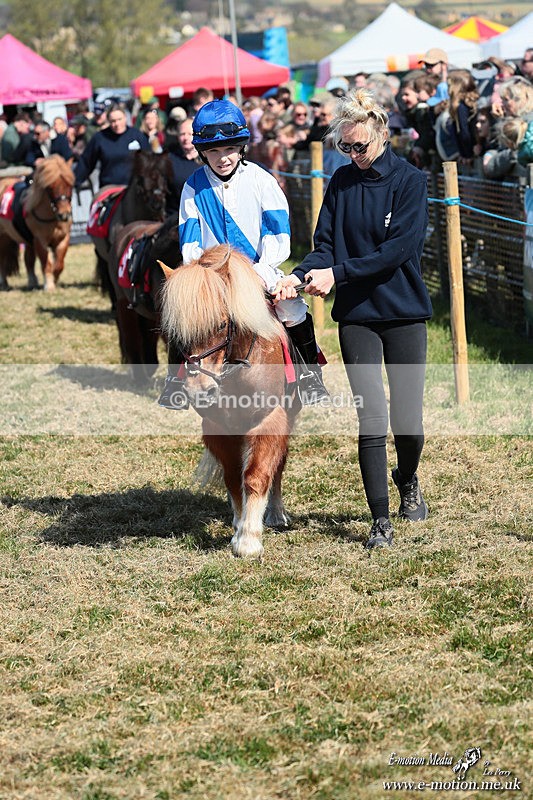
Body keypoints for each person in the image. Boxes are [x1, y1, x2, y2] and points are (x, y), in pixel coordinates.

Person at [275, 89, 432, 550]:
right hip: (358, 316)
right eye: (346, 147)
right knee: (372, 416)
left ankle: (408, 478)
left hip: (404, 310)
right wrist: (300, 274)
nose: (354, 155)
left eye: (360, 145)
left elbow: (395, 253)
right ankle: (379, 521)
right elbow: (324, 244)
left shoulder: (410, 181)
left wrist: (336, 273)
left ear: (382, 134)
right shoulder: (341, 182)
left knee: (408, 421)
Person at [158, 98, 328, 409]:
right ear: (202, 152)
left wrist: (262, 269)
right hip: (210, 276)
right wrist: (201, 276)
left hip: (259, 268)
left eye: (229, 149)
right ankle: (175, 380)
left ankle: (309, 376)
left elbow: (278, 234)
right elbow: (190, 240)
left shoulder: (262, 180)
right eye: (213, 151)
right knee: (185, 310)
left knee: (291, 307)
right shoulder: (193, 187)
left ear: (242, 147)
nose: (222, 158)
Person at [74, 105, 150, 189]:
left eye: (119, 119)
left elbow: (149, 161)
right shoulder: (100, 138)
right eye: (113, 121)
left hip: (135, 187)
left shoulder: (137, 136)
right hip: (110, 188)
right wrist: (75, 181)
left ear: (125, 118)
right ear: (108, 121)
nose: (117, 124)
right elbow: (86, 162)